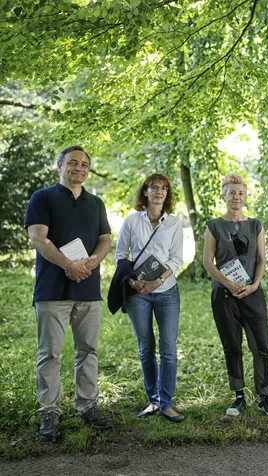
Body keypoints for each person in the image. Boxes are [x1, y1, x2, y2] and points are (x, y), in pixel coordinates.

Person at [24, 145, 113, 441]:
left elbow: (104, 240)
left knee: (87, 351)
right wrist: (69, 265)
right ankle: (49, 410)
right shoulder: (43, 198)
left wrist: (90, 263)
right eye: (73, 162)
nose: (80, 168)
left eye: (85, 164)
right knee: (49, 353)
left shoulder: (96, 202)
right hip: (52, 289)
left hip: (88, 289)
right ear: (59, 165)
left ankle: (87, 405)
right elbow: (38, 238)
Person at [203, 173, 268, 416]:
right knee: (232, 346)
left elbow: (261, 259)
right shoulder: (213, 225)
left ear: (246, 197)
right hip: (224, 295)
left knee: (262, 346)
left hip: (252, 293)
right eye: (232, 193)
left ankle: (264, 396)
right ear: (223, 195)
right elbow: (207, 262)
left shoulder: (255, 225)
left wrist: (255, 285)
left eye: (240, 193)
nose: (236, 197)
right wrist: (227, 283)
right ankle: (238, 396)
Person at [115, 174, 185, 422]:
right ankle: (153, 401)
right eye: (154, 187)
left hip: (166, 292)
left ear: (167, 194)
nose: (159, 192)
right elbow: (121, 255)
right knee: (146, 348)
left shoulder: (174, 223)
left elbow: (177, 259)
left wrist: (157, 281)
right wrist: (134, 282)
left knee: (168, 350)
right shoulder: (132, 221)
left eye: (164, 189)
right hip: (138, 294)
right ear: (145, 192)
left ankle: (166, 402)